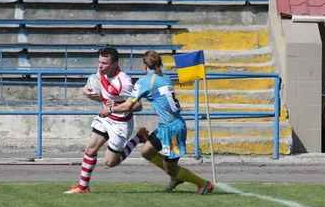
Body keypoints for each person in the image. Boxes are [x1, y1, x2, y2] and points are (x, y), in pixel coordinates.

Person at [98, 50, 214, 195]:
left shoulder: (145, 81)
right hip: (166, 126)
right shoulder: (164, 77)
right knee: (147, 152)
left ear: (145, 64)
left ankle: (204, 184)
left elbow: (128, 106)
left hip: (173, 130)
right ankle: (176, 177)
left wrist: (110, 109)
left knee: (170, 167)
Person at [64, 47, 149, 194]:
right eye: (99, 62)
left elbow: (138, 106)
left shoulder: (124, 82)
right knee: (90, 148)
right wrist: (86, 92)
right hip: (105, 118)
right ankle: (83, 187)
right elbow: (89, 85)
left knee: (111, 162)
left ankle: (139, 138)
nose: (100, 66)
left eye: (104, 63)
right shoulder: (102, 72)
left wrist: (112, 108)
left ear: (115, 64)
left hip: (121, 124)